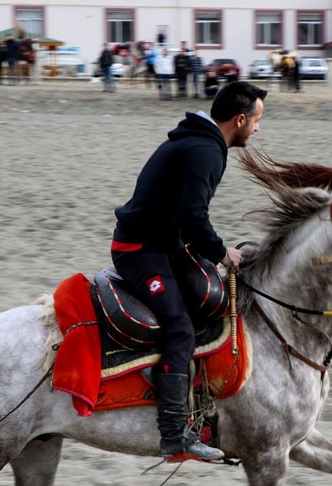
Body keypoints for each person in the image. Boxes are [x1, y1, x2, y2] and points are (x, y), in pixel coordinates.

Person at [110, 80, 268, 461]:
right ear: (240, 119)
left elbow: (181, 216)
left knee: (205, 299)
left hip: (165, 245)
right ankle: (173, 435)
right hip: (139, 250)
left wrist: (202, 254)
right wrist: (220, 252)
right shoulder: (205, 151)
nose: (259, 129)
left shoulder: (201, 143)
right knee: (179, 327)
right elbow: (192, 215)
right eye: (258, 121)